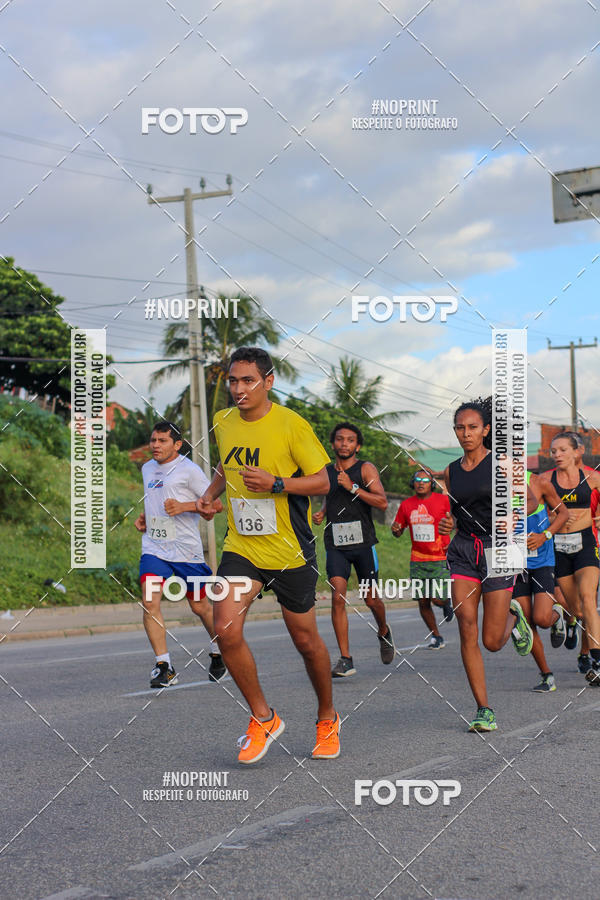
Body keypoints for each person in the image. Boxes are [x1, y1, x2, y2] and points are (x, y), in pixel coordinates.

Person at [196, 347, 340, 763]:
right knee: (225, 628)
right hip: (241, 547)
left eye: (247, 381)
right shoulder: (223, 421)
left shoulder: (292, 425)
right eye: (233, 381)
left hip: (289, 549)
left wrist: (277, 484)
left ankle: (327, 717)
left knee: (306, 641)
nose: (238, 389)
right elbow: (227, 464)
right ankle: (263, 718)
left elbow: (324, 481)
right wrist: (210, 494)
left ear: (268, 382)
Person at [439, 397, 534, 732]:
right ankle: (483, 709)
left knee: (492, 641)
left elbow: (531, 499)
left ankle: (513, 615)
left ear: (486, 430)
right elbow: (455, 509)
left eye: (473, 427)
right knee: (467, 625)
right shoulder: (451, 471)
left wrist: (513, 518)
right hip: (464, 550)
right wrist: (449, 523)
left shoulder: (504, 465)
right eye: (460, 428)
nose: (466, 433)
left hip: (498, 549)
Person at [134, 421, 225, 688]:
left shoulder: (190, 471)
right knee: (150, 602)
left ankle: (219, 652)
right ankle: (164, 665)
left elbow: (215, 506)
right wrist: (146, 518)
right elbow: (155, 501)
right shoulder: (147, 468)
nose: (155, 445)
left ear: (177, 444)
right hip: (155, 547)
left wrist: (184, 506)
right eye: (153, 440)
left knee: (199, 607)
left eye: (162, 441)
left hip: (185, 549)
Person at [312, 422, 392, 677]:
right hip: (336, 544)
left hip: (364, 545)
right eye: (339, 439)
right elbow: (331, 494)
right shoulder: (326, 471)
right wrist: (324, 511)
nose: (344, 444)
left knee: (371, 600)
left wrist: (354, 487)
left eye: (350, 440)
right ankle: (346, 659)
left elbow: (381, 502)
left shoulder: (365, 469)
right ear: (333, 443)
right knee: (338, 597)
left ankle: (384, 631)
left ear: (357, 446)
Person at [538, 432, 600, 685]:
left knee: (588, 600)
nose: (557, 455)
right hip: (558, 548)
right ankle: (569, 620)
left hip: (586, 544)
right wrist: (554, 520)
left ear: (577, 452)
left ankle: (596, 661)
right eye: (553, 451)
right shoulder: (544, 480)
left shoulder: (592, 478)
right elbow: (536, 512)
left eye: (563, 450)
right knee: (576, 609)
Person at [512, 471, 569, 692]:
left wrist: (544, 535)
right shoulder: (492, 487)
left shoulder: (539, 483)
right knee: (526, 621)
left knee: (542, 619)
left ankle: (558, 614)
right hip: (515, 561)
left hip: (542, 560)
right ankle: (547, 675)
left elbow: (563, 514)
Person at [392, 469, 453, 649]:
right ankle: (436, 635)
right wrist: (395, 529)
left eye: (425, 480)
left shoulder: (443, 501)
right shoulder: (406, 505)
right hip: (418, 559)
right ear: (413, 483)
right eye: (417, 480)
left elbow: (456, 520)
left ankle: (446, 603)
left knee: (436, 598)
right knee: (423, 600)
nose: (420, 483)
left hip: (441, 557)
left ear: (431, 484)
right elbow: (397, 530)